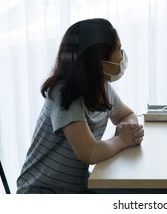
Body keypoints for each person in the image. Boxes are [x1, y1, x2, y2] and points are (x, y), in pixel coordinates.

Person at [17, 18, 144, 194]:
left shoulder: (100, 86)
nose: (123, 56)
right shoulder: (64, 95)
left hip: (74, 188)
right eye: (119, 50)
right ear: (101, 64)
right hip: (44, 192)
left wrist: (127, 127)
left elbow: (126, 114)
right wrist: (122, 140)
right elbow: (90, 153)